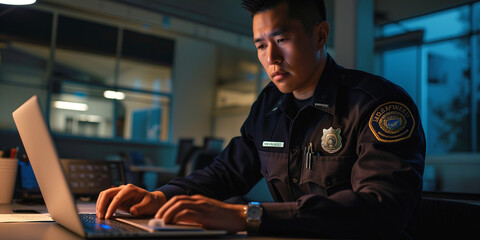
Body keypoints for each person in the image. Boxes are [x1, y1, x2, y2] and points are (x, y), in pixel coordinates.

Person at [96, 0, 426, 238]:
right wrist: (160, 197)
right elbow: (225, 172)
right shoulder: (269, 104)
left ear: (321, 35)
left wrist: (247, 215)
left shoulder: (378, 104)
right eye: (261, 45)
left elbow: (381, 209)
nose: (271, 58)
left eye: (282, 40)